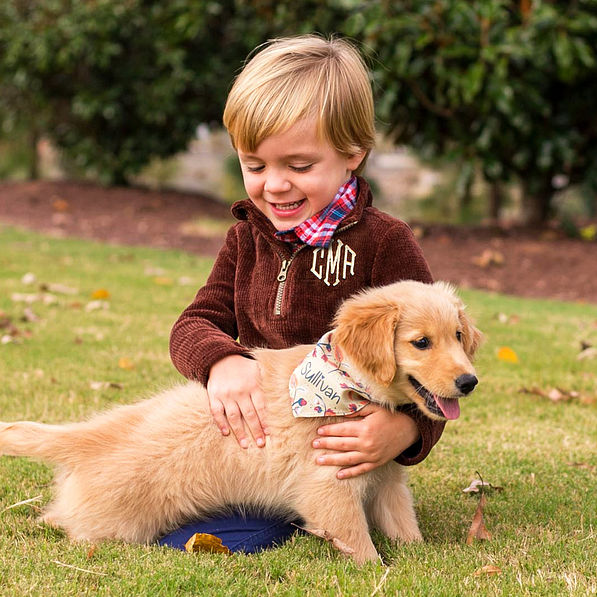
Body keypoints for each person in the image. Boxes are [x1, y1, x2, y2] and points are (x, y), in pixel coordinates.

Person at [160, 34, 445, 553]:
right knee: (184, 504)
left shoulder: (385, 243)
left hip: (335, 449)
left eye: (299, 166)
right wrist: (221, 361)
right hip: (256, 444)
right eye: (255, 165)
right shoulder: (246, 236)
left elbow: (432, 361)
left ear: (353, 154)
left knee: (243, 534)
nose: (274, 185)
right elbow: (194, 323)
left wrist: (403, 432)